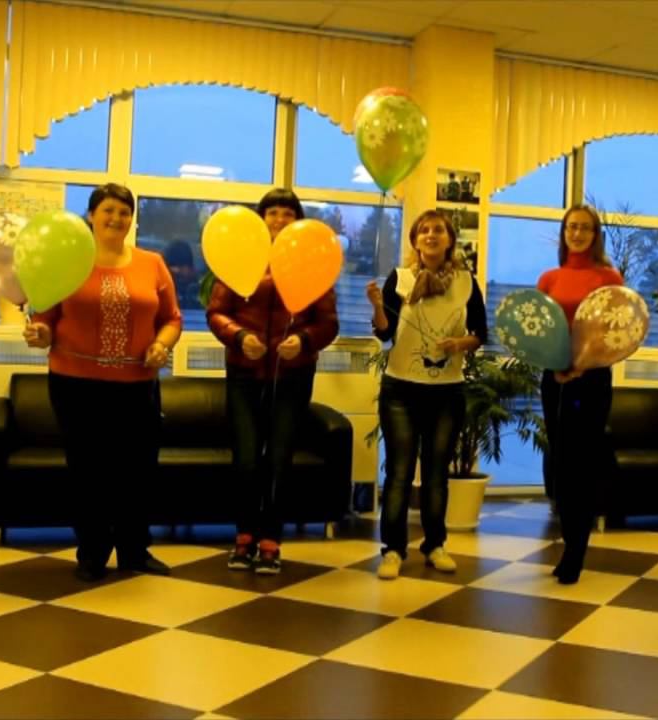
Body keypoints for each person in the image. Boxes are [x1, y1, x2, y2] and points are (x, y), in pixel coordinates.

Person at [23, 183, 183, 581]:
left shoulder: (152, 263)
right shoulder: (68, 262)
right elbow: (45, 320)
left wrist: (162, 345)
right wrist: (40, 334)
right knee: (87, 472)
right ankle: (92, 554)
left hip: (137, 385)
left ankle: (134, 551)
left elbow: (172, 319)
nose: (117, 218)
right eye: (109, 210)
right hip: (76, 386)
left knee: (137, 472)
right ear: (91, 215)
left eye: (125, 212)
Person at [206, 188, 339, 575]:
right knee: (247, 459)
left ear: (297, 220)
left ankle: (270, 540)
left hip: (293, 376)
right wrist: (238, 336)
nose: (279, 220)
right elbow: (216, 313)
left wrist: (304, 341)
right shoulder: (241, 258)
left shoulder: (311, 262)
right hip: (244, 375)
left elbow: (328, 323)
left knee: (279, 460)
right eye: (272, 213)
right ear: (260, 219)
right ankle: (244, 536)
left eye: (287, 213)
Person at [366, 210, 487, 580]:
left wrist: (459, 343)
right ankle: (392, 550)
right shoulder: (401, 278)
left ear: (449, 240)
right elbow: (385, 334)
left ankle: (435, 545)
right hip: (400, 388)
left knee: (436, 475)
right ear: (415, 241)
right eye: (424, 231)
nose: (431, 235)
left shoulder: (466, 281)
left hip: (447, 392)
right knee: (399, 472)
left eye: (438, 230)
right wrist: (377, 306)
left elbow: (480, 333)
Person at [537, 204, 624, 584]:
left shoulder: (609, 277)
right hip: (554, 378)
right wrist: (556, 366)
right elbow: (540, 329)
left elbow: (614, 331)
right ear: (564, 232)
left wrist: (582, 365)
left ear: (595, 234)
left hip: (591, 379)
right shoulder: (549, 278)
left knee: (582, 466)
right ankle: (568, 542)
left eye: (585, 228)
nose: (577, 233)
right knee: (560, 463)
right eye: (571, 227)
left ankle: (576, 552)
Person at [162, 240, 199, 311]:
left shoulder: (200, 290)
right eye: (172, 265)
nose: (176, 270)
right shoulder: (162, 290)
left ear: (191, 268)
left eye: (181, 266)